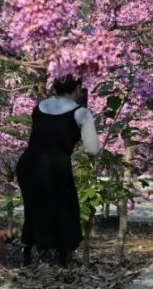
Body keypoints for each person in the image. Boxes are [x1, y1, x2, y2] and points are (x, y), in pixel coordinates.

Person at [16, 76, 101, 267]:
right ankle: (61, 258)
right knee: (65, 208)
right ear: (78, 88)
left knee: (33, 207)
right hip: (56, 165)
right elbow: (92, 149)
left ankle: (28, 252)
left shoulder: (40, 107)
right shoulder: (81, 113)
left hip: (28, 163)